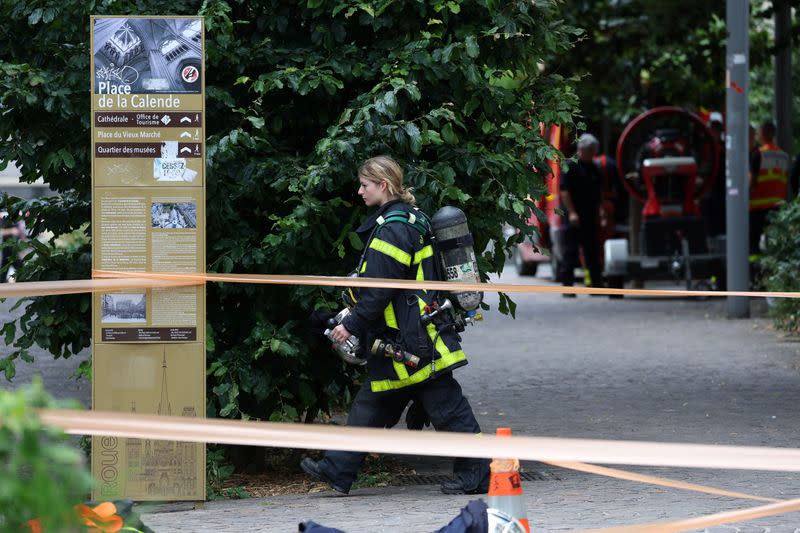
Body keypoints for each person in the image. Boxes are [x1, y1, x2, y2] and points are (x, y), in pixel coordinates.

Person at [300, 156, 490, 495]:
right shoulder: (409, 218)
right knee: (372, 403)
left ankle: (478, 472)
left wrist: (352, 326)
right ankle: (338, 469)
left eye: (365, 185)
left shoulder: (394, 226)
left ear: (383, 185)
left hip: (414, 338)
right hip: (407, 337)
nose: (359, 191)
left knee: (447, 409)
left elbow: (381, 288)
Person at [559, 133, 604, 295]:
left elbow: (598, 192)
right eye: (591, 151)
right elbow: (564, 191)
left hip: (590, 215)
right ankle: (568, 287)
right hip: (573, 216)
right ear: (582, 150)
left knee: (592, 251)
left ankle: (596, 285)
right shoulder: (570, 165)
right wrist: (571, 212)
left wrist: (600, 212)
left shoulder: (594, 167)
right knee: (570, 252)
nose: (593, 154)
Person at [749, 120, 790, 255]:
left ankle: (755, 274)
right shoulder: (783, 156)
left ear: (761, 134)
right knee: (775, 247)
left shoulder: (758, 155)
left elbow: (751, 183)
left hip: (757, 209)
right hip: (777, 208)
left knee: (753, 246)